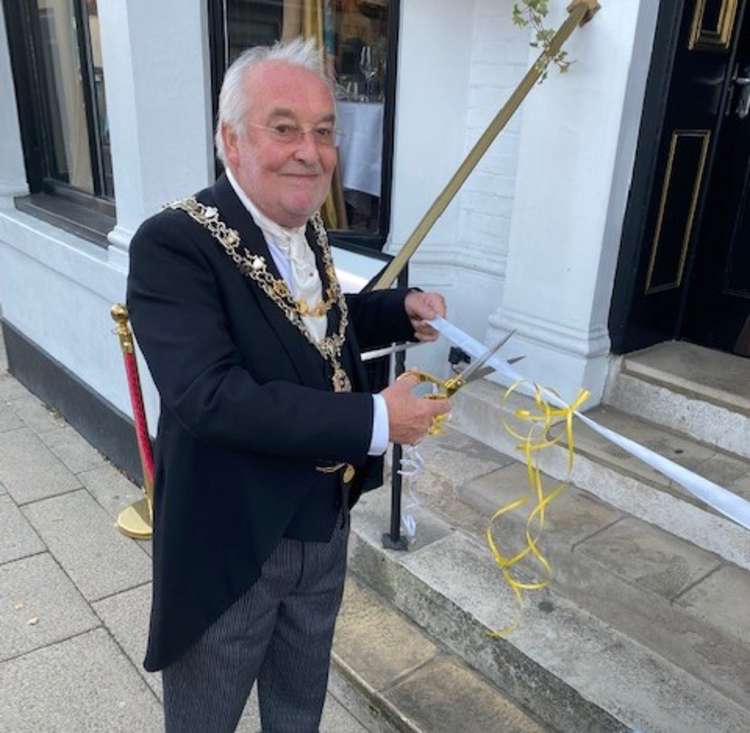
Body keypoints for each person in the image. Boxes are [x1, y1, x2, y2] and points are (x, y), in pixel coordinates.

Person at [126, 37, 450, 733]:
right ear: (230, 140)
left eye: (325, 131)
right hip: (232, 538)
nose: (311, 151)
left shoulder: (303, 229)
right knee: (205, 720)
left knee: (300, 710)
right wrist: (375, 418)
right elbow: (212, 396)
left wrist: (396, 309)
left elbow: (309, 329)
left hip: (323, 524)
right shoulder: (173, 244)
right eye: (285, 128)